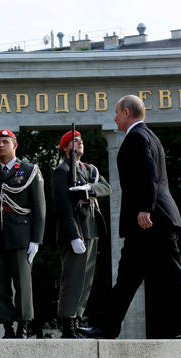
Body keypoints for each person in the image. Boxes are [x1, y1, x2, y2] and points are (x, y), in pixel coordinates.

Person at [84, 95, 181, 339]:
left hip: (152, 221)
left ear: (126, 112)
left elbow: (148, 174)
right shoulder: (150, 136)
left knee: (173, 276)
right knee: (128, 278)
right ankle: (107, 327)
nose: (114, 118)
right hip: (150, 222)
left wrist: (145, 208)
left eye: (117, 113)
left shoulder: (137, 137)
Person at [0, 129, 46, 338]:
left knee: (23, 285)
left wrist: (36, 240)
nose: (0, 145)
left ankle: (23, 326)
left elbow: (39, 208)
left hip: (20, 237)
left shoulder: (28, 170)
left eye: (5, 142)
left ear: (15, 145)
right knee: (0, 285)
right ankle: (7, 326)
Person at [52, 130, 111, 338]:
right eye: (73, 141)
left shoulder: (89, 169)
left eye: (80, 141)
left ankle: (76, 319)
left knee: (86, 280)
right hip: (75, 230)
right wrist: (73, 235)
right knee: (73, 278)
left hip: (92, 229)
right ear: (65, 148)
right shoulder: (63, 170)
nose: (79, 143)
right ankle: (67, 323)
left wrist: (89, 188)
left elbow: (106, 187)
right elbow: (62, 207)